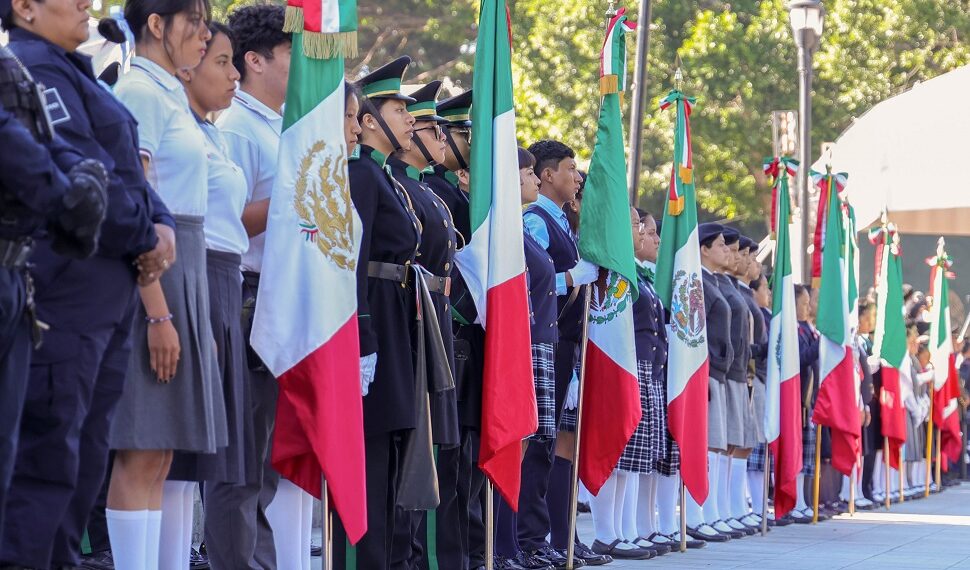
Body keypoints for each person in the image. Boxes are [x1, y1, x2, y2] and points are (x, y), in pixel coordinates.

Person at [3, 0, 189, 567]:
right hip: (67, 287)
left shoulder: (75, 71)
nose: (86, 2)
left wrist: (160, 222)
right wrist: (146, 236)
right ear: (25, 8)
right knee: (46, 460)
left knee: (81, 462)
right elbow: (80, 174)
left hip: (107, 291)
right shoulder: (32, 67)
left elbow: (128, 171)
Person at [105, 1, 231, 568]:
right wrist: (157, 312)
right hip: (156, 280)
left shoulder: (169, 94)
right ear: (156, 24)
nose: (204, 35)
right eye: (194, 22)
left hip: (187, 272)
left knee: (159, 454)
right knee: (140, 449)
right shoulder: (139, 92)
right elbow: (134, 207)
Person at [0, 35, 111, 559]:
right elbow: (24, 152)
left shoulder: (14, 68)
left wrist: (84, 178)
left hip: (14, 271)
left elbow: (48, 143)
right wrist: (71, 194)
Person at [174, 20, 261, 568]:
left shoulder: (212, 133)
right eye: (221, 62)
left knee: (219, 460)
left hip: (226, 282)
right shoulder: (177, 125)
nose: (232, 75)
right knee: (177, 459)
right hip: (196, 276)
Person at [208, 5, 292, 567]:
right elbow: (226, 219)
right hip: (246, 296)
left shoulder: (278, 126)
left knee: (263, 461)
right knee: (238, 463)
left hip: (278, 297)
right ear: (255, 61)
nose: (301, 68)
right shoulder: (238, 127)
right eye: (290, 56)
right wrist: (292, 200)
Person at [332, 55, 422, 570]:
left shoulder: (383, 176)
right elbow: (355, 258)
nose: (409, 118)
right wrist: (362, 332)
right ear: (368, 122)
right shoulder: (362, 175)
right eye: (397, 109)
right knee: (369, 450)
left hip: (395, 314)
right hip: (375, 316)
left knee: (388, 447)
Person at [518, 140, 607, 567]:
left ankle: (557, 534)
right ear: (548, 174)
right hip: (542, 342)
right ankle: (530, 537)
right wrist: (570, 278)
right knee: (538, 445)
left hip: (564, 344)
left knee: (554, 444)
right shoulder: (536, 221)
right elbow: (528, 284)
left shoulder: (561, 223)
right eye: (571, 168)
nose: (577, 177)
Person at [385, 79, 462, 569]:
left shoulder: (423, 190)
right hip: (415, 320)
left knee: (435, 450)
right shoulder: (401, 186)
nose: (435, 136)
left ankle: (424, 556)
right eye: (430, 129)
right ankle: (414, 557)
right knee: (413, 451)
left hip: (435, 319)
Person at [492, 147, 557, 570]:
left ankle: (512, 541)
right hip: (520, 342)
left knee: (529, 444)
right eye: (528, 172)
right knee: (513, 443)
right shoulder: (508, 226)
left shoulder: (521, 227)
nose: (535, 180)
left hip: (538, 341)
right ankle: (501, 544)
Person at [685, 222, 732, 543]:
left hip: (721, 373)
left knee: (716, 443)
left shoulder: (715, 281)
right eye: (721, 245)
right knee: (706, 443)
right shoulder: (698, 281)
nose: (727, 251)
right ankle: (696, 513)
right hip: (707, 370)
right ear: (703, 248)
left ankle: (711, 511)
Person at [791, 283, 820, 523]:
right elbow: (800, 358)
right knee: (796, 452)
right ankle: (794, 500)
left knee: (806, 454)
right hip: (797, 397)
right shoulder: (793, 329)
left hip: (809, 398)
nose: (807, 308)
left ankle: (803, 499)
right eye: (803, 303)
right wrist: (821, 343)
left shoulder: (807, 329)